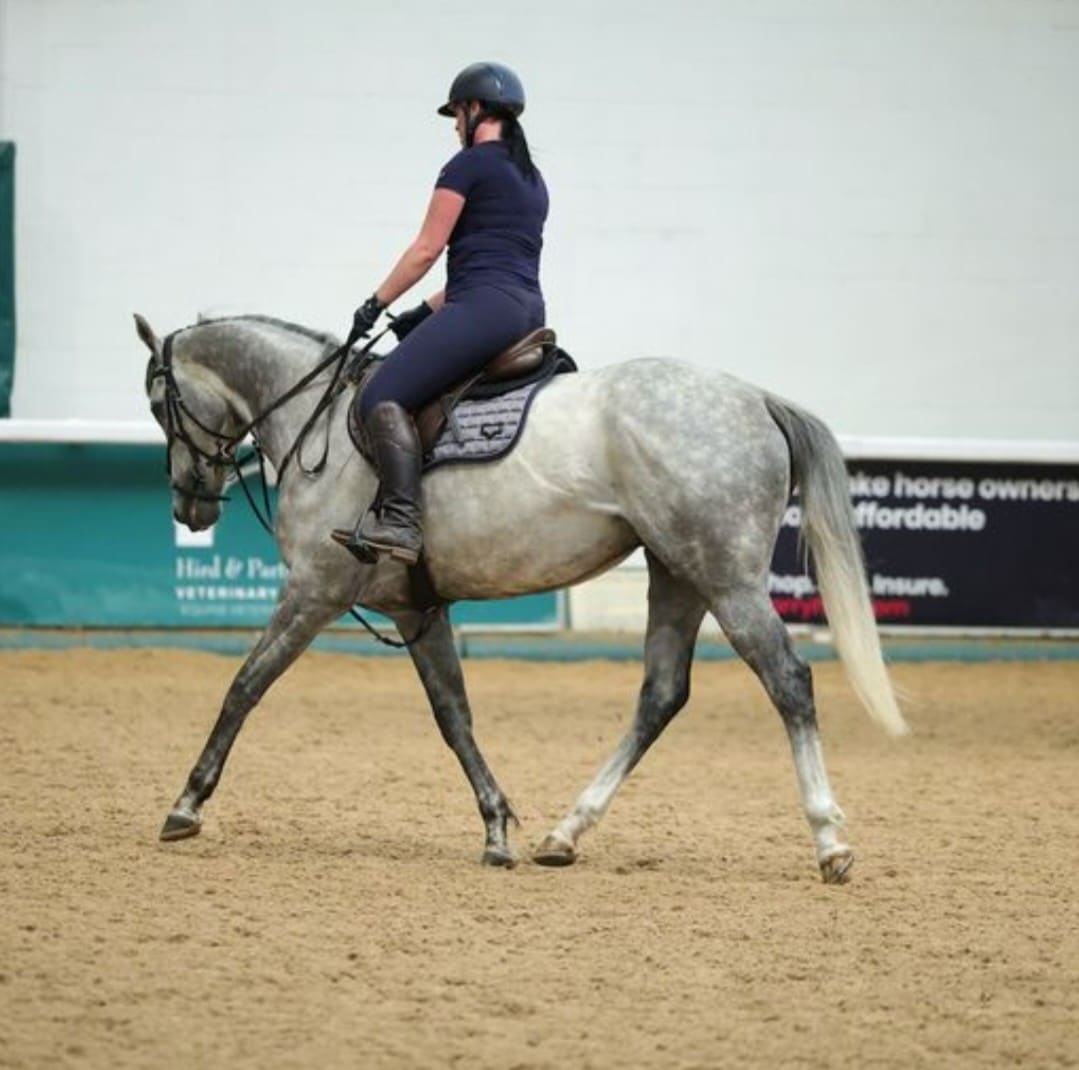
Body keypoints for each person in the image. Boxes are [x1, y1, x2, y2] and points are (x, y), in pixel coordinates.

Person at [331, 61, 549, 566]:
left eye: (456, 114)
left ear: (475, 110)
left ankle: (403, 521)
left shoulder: (467, 166)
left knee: (379, 393)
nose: (454, 125)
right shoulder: (531, 179)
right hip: (525, 309)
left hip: (484, 308)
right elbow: (487, 263)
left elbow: (427, 249)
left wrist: (376, 303)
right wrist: (419, 313)